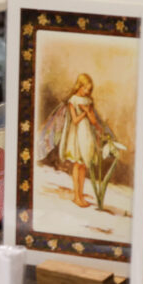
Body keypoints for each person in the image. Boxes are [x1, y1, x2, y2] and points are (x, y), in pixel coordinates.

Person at [58, 73, 102, 208]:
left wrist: (89, 112)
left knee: (84, 165)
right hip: (77, 135)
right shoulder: (73, 100)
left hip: (87, 135)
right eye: (85, 89)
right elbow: (75, 121)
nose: (87, 92)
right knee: (77, 164)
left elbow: (94, 121)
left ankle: (81, 196)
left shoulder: (88, 101)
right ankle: (76, 196)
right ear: (80, 86)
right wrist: (84, 112)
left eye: (89, 90)